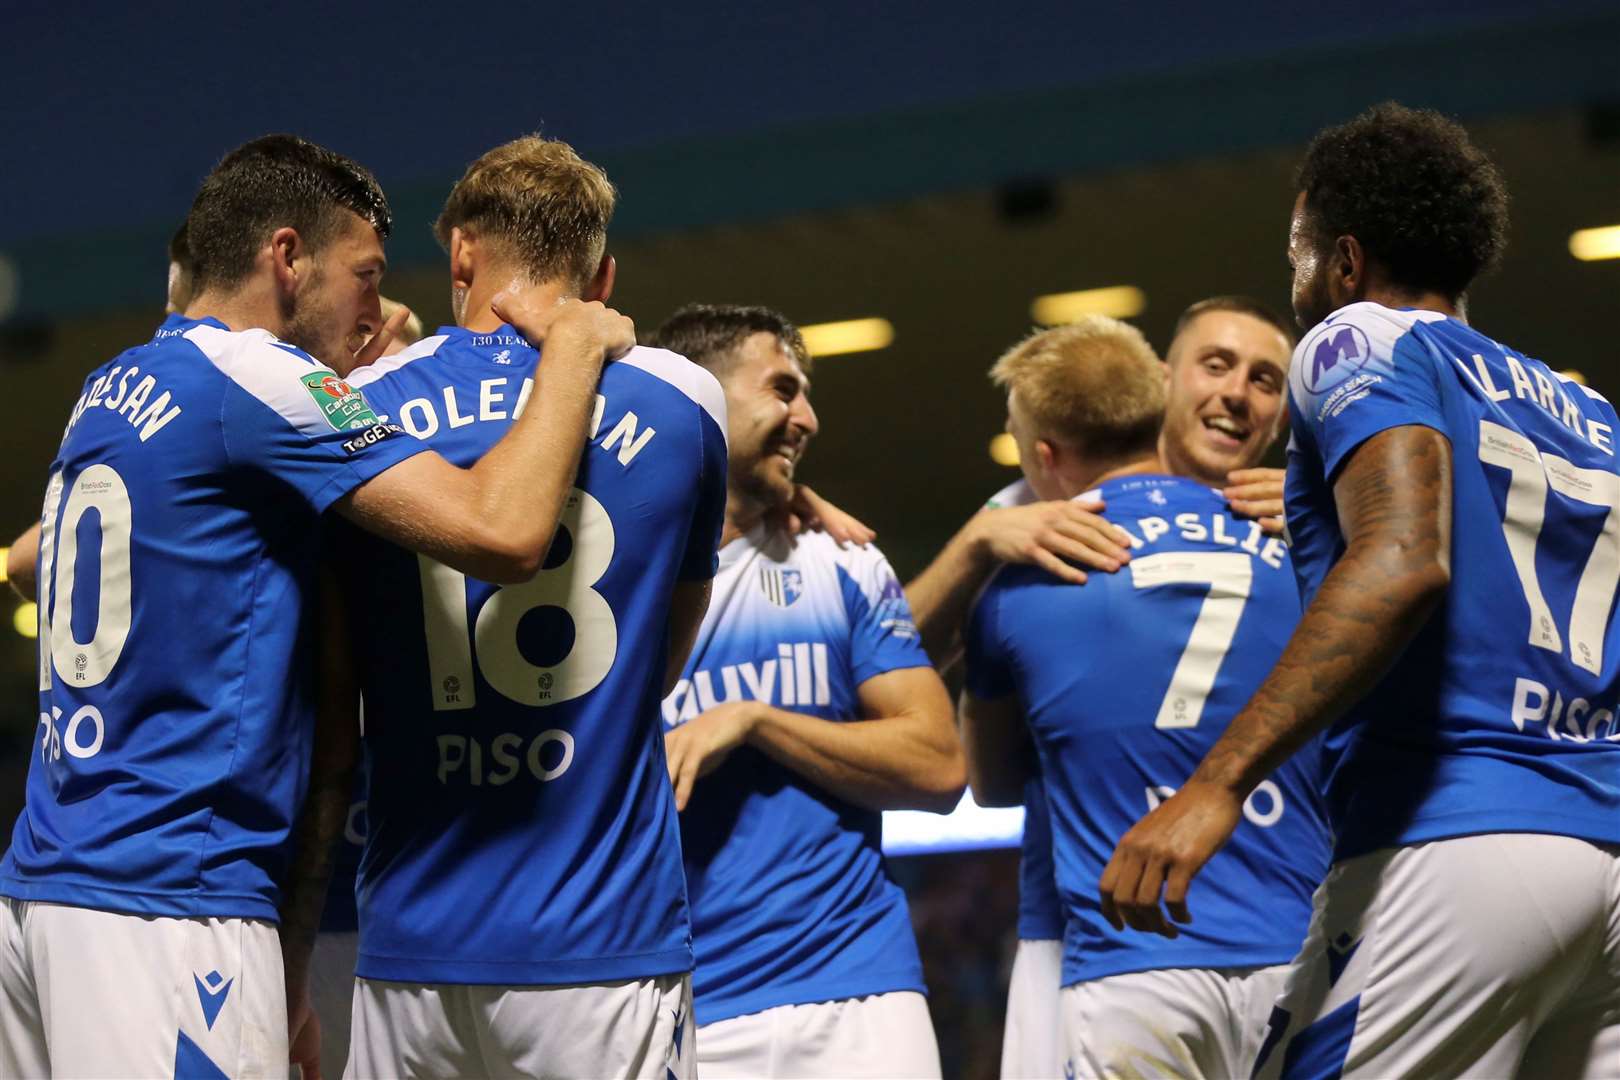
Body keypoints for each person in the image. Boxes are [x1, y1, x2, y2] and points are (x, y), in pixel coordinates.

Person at [0, 133, 631, 1078]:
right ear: (287, 258)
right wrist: (574, 350)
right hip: (173, 901)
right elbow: (504, 532)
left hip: (40, 895)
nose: (381, 309)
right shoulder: (265, 380)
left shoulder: (112, 387)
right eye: (367, 275)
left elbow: (24, 563)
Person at [1102, 102, 1620, 1077]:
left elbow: (1402, 559)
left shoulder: (1362, 340)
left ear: (1343, 260)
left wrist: (1214, 786)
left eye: (1296, 257)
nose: (1296, 286)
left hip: (1460, 838)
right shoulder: (1591, 413)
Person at [327, 135, 724, 1080]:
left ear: (461, 253)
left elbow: (337, 671)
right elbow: (665, 640)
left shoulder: (352, 409)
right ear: (604, 274)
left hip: (412, 940)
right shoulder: (684, 402)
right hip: (604, 944)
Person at [903, 296, 1298, 1078]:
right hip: (1111, 930)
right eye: (1216, 365)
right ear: (1160, 383)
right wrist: (976, 543)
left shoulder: (1311, 519)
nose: (1237, 394)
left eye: (1265, 380)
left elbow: (986, 772)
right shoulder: (1019, 518)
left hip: (1138, 954)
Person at [651, 304, 965, 1078]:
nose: (808, 419)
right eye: (784, 390)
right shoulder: (606, 579)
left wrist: (756, 722)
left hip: (859, 992)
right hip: (678, 1000)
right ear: (703, 397)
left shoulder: (842, 564)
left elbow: (937, 766)